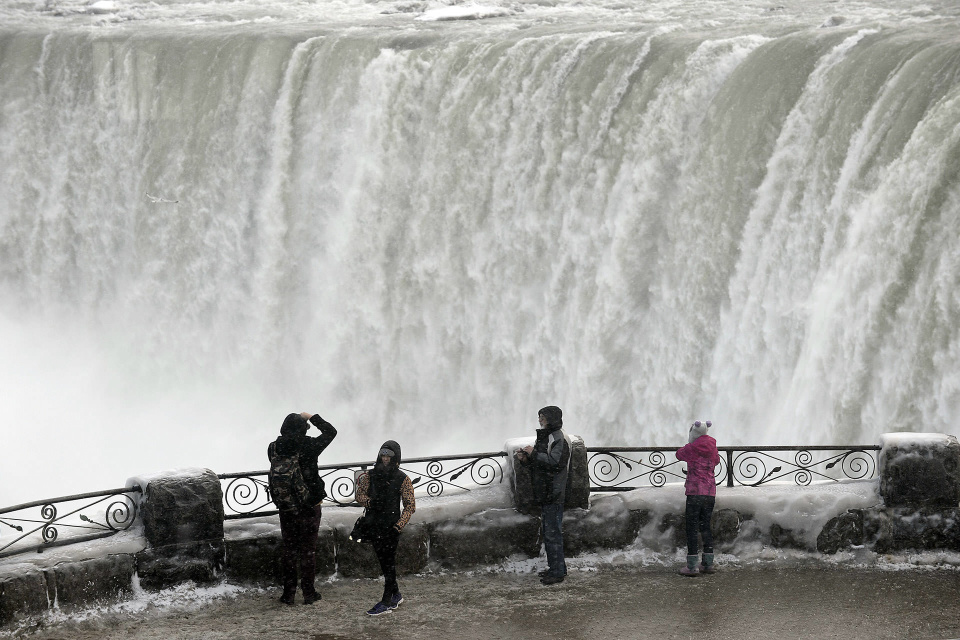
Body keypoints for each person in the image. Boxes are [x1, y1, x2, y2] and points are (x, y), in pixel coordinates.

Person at [267, 411, 337, 605]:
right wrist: (312, 416)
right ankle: (308, 593)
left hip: (286, 505)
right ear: (303, 429)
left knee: (289, 550)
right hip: (309, 505)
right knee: (308, 550)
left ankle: (288, 594)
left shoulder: (273, 448)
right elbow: (331, 432)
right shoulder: (310, 446)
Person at [355, 440, 416, 616]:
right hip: (373, 525)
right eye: (383, 454)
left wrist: (399, 526)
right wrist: (370, 502)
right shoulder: (370, 475)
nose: (385, 458)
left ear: (396, 457)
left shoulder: (402, 479)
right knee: (384, 561)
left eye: (389, 455)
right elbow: (359, 495)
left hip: (391, 527)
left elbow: (410, 505)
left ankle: (387, 600)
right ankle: (395, 594)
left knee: (388, 563)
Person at [514, 405, 570, 585]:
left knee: (553, 533)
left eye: (543, 417)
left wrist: (534, 453)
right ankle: (557, 568)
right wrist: (526, 459)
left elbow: (555, 463)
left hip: (554, 492)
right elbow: (540, 464)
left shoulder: (559, 438)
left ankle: (557, 573)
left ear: (552, 419)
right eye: (539, 417)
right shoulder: (547, 436)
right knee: (550, 532)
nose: (540, 420)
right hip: (546, 491)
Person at [675, 419, 720, 576]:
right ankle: (707, 564)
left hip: (695, 493)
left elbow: (678, 455)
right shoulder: (713, 448)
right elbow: (717, 460)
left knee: (692, 528)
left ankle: (692, 566)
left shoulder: (692, 448)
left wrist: (691, 443)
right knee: (705, 526)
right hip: (710, 492)